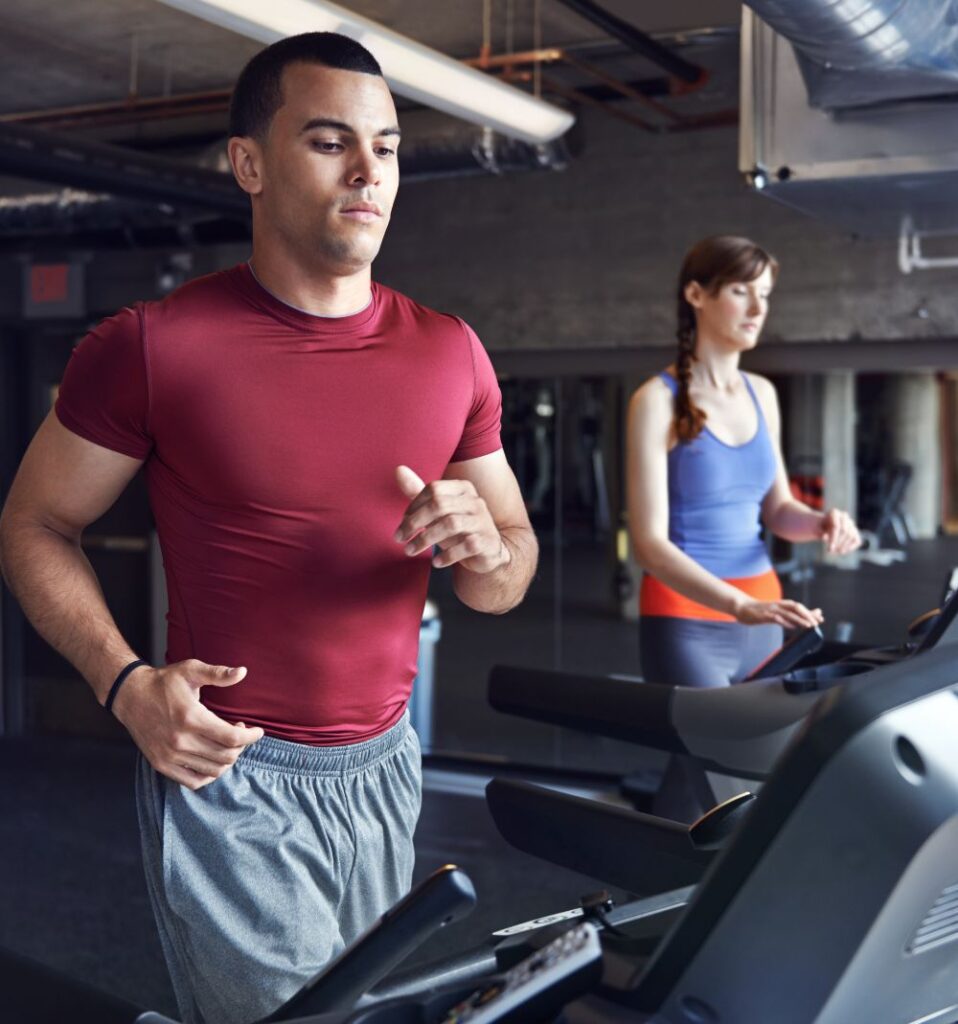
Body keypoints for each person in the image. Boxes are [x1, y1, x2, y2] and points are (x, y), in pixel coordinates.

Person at [0, 33, 537, 1024]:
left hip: (387, 761)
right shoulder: (153, 348)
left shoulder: (451, 350)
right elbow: (35, 522)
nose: (369, 171)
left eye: (386, 145)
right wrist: (123, 686)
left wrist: (491, 549)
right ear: (248, 162)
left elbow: (505, 575)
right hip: (231, 769)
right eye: (331, 141)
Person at [626, 235, 860, 821]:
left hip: (765, 617)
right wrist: (735, 605)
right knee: (726, 782)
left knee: (704, 779)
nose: (758, 309)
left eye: (766, 295)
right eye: (741, 292)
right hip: (687, 622)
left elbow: (779, 510)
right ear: (696, 294)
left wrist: (822, 522)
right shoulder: (654, 401)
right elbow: (651, 545)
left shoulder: (763, 394)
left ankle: (649, 891)